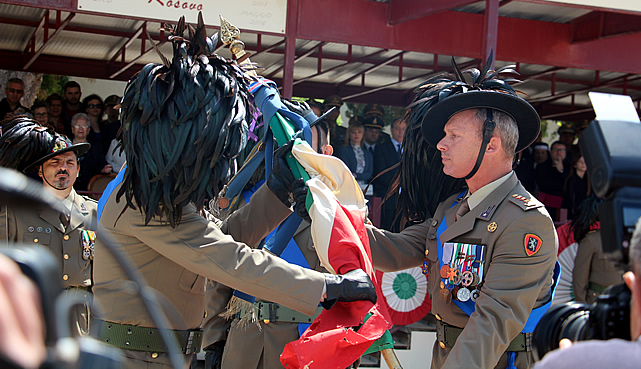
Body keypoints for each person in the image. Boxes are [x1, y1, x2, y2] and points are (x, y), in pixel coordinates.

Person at [93, 18, 375, 369]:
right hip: (134, 359)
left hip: (161, 353)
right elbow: (227, 258)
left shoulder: (164, 191)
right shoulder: (143, 198)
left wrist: (277, 193)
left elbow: (220, 238)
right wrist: (331, 288)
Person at [357, 66, 558, 369]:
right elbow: (394, 250)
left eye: (454, 135)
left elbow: (491, 324)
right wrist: (329, 212)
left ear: (491, 145)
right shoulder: (453, 208)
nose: (441, 144)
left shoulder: (526, 222)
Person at [211, 118, 335, 369]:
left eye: (304, 143)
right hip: (244, 342)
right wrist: (214, 340)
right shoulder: (250, 202)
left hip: (303, 341)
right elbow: (220, 273)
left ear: (326, 152)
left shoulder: (340, 209)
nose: (295, 152)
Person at [0, 126, 97, 336]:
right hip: (34, 310)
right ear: (41, 170)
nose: (63, 168)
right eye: (55, 162)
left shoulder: (94, 212)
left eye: (70, 163)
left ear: (78, 170)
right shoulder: (16, 212)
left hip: (80, 317)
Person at [533, 200, 641, 369]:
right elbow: (579, 279)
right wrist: (583, 305)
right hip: (596, 301)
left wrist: (572, 362)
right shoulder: (592, 240)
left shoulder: (573, 362)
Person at [372, 118, 406, 231]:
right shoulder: (381, 148)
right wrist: (398, 183)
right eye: (397, 128)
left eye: (403, 129)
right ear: (391, 129)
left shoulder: (410, 149)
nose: (400, 132)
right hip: (387, 197)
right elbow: (380, 173)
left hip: (405, 199)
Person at [69, 113, 112, 191]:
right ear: (72, 129)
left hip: (90, 190)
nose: (81, 128)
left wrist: (104, 169)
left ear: (88, 130)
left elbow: (102, 165)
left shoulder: (96, 148)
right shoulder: (66, 147)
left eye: (84, 126)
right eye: (78, 125)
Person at [535, 141, 568, 220]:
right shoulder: (541, 167)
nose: (558, 153)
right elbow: (543, 184)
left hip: (565, 206)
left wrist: (561, 171)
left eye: (561, 150)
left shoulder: (571, 167)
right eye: (556, 150)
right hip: (546, 205)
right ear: (551, 152)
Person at [562, 151, 590, 220]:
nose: (583, 164)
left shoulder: (589, 181)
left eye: (585, 162)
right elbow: (570, 199)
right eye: (580, 162)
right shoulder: (571, 180)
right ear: (575, 164)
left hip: (586, 214)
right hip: (574, 214)